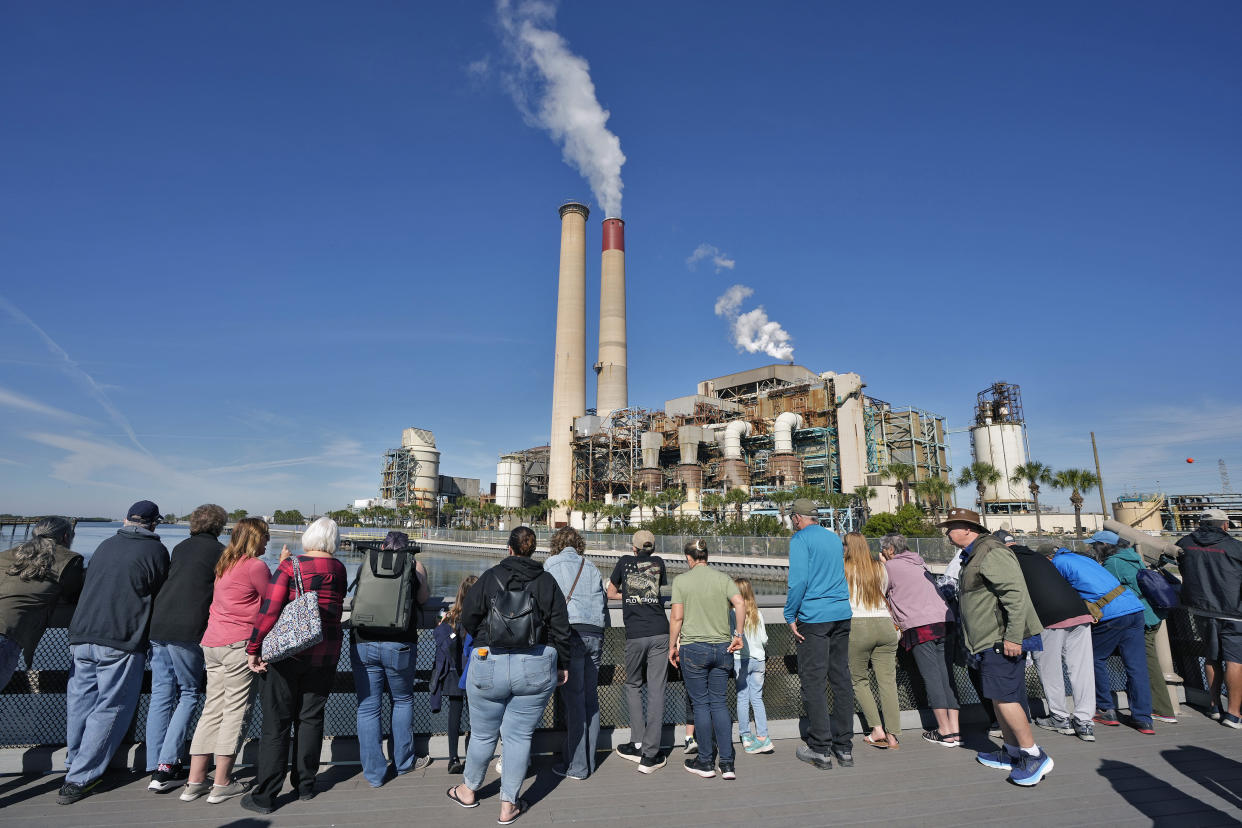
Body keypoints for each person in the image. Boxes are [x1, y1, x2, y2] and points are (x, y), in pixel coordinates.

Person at [448, 526, 570, 825]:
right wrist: (561, 663)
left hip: (489, 661)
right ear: (533, 550)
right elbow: (561, 627)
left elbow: (468, 616)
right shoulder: (546, 581)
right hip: (535, 664)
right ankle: (508, 805)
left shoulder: (490, 577)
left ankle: (467, 790)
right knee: (518, 737)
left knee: (483, 734)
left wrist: (483, 639)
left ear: (510, 548)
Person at [60, 500, 170, 805]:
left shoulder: (105, 544)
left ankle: (74, 761)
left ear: (125, 520)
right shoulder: (156, 552)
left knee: (80, 701)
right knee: (111, 707)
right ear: (153, 524)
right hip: (119, 638)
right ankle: (81, 777)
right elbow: (160, 593)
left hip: (81, 634)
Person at [241, 517, 348, 815]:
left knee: (277, 722)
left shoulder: (291, 567)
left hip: (288, 654)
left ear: (310, 537)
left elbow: (269, 610)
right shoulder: (339, 569)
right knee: (311, 718)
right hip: (325, 653)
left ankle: (266, 795)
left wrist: (254, 648)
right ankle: (305, 785)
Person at [939, 508, 1051, 787]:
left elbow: (1015, 595)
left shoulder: (991, 551)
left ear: (968, 528)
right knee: (998, 698)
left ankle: (1032, 755)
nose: (947, 533)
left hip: (1000, 639)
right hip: (986, 641)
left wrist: (1013, 637)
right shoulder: (975, 554)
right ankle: (1013, 752)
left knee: (1006, 697)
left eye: (951, 527)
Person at [181, 517, 273, 804]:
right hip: (238, 645)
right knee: (235, 712)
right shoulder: (256, 566)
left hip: (213, 642)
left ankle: (194, 781)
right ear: (255, 539)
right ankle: (221, 783)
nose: (268, 542)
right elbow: (273, 602)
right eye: (265, 537)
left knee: (212, 710)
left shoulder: (225, 563)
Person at [146, 503, 227, 792]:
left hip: (159, 623)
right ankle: (167, 767)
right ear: (219, 526)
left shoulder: (180, 547)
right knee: (190, 693)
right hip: (187, 628)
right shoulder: (220, 553)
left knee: (161, 693)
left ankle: (154, 762)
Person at [350, 531, 431, 787]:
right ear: (407, 548)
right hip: (400, 643)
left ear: (383, 545)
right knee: (403, 700)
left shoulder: (368, 562)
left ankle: (374, 774)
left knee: (368, 707)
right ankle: (404, 762)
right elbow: (423, 599)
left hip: (363, 641)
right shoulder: (415, 565)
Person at [1000, 534, 1097, 742]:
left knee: (1049, 667)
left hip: (1048, 616)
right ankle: (1085, 722)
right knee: (1082, 668)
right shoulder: (1038, 557)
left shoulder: (1007, 559)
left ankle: (1060, 718)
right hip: (1078, 611)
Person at [1049, 544, 1152, 734]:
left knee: (1094, 658)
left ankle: (1105, 709)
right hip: (1134, 608)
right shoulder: (1085, 560)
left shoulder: (1057, 563)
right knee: (1137, 666)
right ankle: (1144, 718)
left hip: (1111, 613)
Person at [783, 498, 853, 771]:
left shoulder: (800, 540)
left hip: (815, 617)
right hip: (841, 613)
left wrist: (790, 615)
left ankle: (820, 747)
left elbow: (798, 580)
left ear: (797, 518)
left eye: (792, 518)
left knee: (813, 680)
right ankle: (844, 747)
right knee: (841, 678)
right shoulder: (834, 538)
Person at [669, 538, 745, 780]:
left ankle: (705, 761)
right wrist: (739, 634)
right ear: (707, 557)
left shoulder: (681, 581)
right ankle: (728, 763)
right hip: (723, 648)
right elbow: (740, 603)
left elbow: (677, 618)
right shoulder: (723, 578)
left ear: (689, 559)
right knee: (720, 703)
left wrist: (672, 645)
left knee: (701, 705)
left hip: (694, 649)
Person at [1092, 530, 1179, 725]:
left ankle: (1161, 709)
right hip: (1150, 613)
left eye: (1094, 545)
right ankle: (1147, 711)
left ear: (1103, 546)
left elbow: (1102, 588)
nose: (1092, 548)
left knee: (1145, 664)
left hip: (1138, 616)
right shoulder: (1132, 556)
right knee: (1141, 663)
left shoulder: (1112, 563)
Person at [882, 531, 959, 747]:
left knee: (932, 677)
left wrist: (882, 564)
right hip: (944, 621)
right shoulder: (919, 562)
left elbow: (879, 590)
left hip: (920, 625)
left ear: (889, 550)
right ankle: (955, 730)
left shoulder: (890, 567)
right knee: (946, 675)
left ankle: (944, 731)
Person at [544, 527, 607, 780]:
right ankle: (588, 761)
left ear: (556, 543)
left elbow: (545, 599)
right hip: (596, 633)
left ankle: (578, 766)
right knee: (590, 701)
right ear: (579, 544)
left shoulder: (551, 564)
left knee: (574, 702)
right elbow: (601, 599)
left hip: (571, 634)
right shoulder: (590, 566)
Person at [606, 528, 670, 773]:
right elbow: (655, 592)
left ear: (633, 547)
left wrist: (627, 595)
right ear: (651, 547)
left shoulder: (624, 562)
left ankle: (637, 741)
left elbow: (611, 592)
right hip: (660, 631)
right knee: (657, 690)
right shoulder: (658, 563)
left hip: (636, 634)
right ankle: (651, 754)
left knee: (633, 685)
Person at [0, 516, 83, 691]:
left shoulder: (6, 555)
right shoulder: (69, 559)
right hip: (6, 633)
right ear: (66, 537)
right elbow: (73, 594)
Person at [1176, 509, 1242, 727]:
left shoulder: (1185, 544)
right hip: (1233, 611)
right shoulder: (1234, 546)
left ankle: (1214, 705)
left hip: (1201, 609)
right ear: (1224, 525)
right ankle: (1233, 714)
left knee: (1211, 657)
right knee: (1235, 660)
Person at [844, 532, 900, 750]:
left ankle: (877, 729)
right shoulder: (880, 567)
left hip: (857, 625)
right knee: (887, 682)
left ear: (848, 547)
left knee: (859, 680)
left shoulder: (843, 567)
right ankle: (893, 734)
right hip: (885, 624)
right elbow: (885, 591)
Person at [431, 575, 477, 774]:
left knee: (454, 714)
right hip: (475, 671)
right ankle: (475, 756)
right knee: (476, 716)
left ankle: (453, 757)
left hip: (453, 672)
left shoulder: (450, 618)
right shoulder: (479, 618)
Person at [733, 577, 773, 754]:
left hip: (740, 660)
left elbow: (730, 636)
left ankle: (746, 735)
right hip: (759, 660)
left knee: (742, 697)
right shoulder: (758, 613)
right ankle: (763, 737)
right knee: (757, 697)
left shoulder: (732, 613)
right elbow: (764, 639)